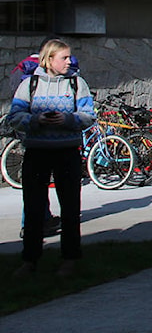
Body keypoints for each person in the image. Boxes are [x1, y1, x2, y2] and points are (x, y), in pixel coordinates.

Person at [6, 39, 95, 278]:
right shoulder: (30, 85)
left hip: (67, 152)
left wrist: (68, 121)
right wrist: (37, 121)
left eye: (69, 57)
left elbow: (88, 116)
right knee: (34, 208)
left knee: (70, 208)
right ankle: (30, 260)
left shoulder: (77, 83)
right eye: (64, 58)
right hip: (37, 152)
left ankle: (69, 258)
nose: (69, 61)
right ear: (49, 59)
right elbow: (14, 116)